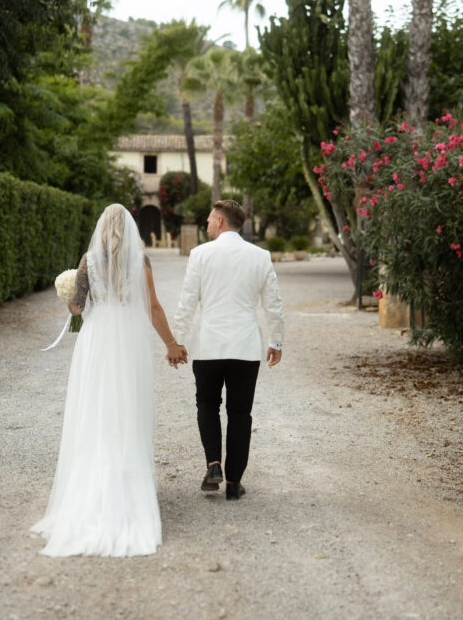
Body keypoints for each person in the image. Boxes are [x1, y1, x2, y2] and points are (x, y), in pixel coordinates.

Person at [31, 204, 187, 557]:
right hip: (127, 342)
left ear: (102, 228)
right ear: (129, 229)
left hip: (98, 339)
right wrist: (172, 344)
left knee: (95, 410)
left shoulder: (89, 260)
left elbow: (76, 307)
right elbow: (154, 307)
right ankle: (128, 484)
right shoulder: (141, 261)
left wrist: (69, 288)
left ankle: (90, 490)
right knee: (127, 409)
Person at [170, 199, 286, 501]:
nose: (207, 225)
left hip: (209, 346)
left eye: (210, 220)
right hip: (245, 349)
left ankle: (213, 466)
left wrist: (177, 341)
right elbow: (273, 303)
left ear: (220, 221)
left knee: (207, 405)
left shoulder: (200, 254)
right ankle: (234, 483)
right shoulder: (260, 256)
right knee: (240, 413)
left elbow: (187, 301)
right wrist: (276, 341)